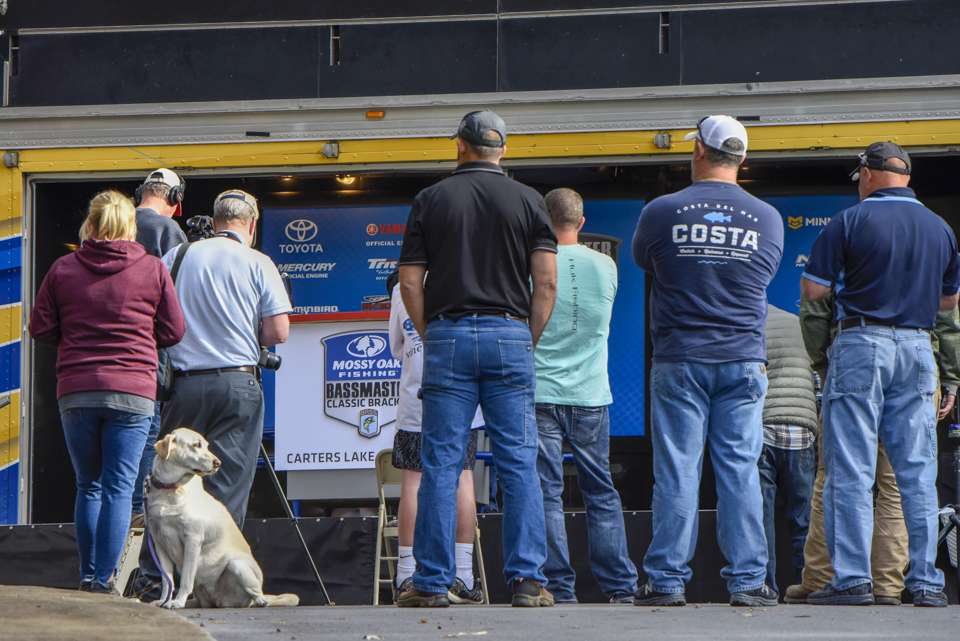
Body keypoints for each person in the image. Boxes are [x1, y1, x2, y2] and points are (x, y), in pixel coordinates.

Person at [396, 110, 558, 608]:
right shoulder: (531, 201)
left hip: (447, 335)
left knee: (441, 462)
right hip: (510, 334)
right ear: (502, 150)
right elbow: (546, 282)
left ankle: (430, 582)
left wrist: (433, 333)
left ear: (460, 147)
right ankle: (528, 581)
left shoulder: (431, 199)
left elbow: (408, 282)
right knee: (519, 462)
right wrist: (524, 337)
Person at [632, 115, 784, 607]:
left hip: (680, 358)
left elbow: (644, 261)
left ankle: (666, 581)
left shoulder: (661, 211)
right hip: (742, 358)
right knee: (740, 470)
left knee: (677, 470)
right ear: (742, 159)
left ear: (698, 150)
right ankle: (748, 582)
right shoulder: (767, 218)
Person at [800, 141, 959, 607]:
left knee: (851, 470)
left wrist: (822, 359)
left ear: (867, 174)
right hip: (917, 348)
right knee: (916, 473)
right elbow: (949, 303)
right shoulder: (940, 227)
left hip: (860, 344)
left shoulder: (849, 221)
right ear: (906, 178)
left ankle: (851, 581)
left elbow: (813, 292)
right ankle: (927, 582)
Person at [28, 190, 185, 594]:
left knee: (89, 485)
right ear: (129, 226)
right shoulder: (151, 269)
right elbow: (174, 331)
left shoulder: (63, 269)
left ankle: (86, 574)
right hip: (134, 392)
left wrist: (77, 335)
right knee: (119, 485)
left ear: (91, 225)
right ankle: (105, 579)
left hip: (77, 391)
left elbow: (40, 328)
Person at [785, 291, 960, 606]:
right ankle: (887, 585)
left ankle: (825, 577)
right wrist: (950, 377)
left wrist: (824, 363)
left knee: (836, 474)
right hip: (919, 360)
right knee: (899, 483)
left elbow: (814, 305)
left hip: (854, 355)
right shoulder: (936, 240)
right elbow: (948, 316)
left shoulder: (843, 239)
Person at [159, 189, 291, 526]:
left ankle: (158, 574)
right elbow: (278, 331)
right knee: (227, 486)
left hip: (184, 385)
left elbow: (154, 316)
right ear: (252, 224)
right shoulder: (258, 262)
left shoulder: (176, 255)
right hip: (237, 384)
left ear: (215, 220)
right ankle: (214, 571)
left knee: (172, 484)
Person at [534, 188, 639, 604]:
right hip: (591, 392)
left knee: (547, 491)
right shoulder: (606, 265)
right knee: (601, 490)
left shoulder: (534, 264)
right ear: (581, 222)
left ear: (543, 221)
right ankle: (620, 587)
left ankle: (560, 587)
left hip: (540, 389)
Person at [387, 271, 485, 604]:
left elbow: (396, 348)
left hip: (417, 398)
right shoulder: (464, 281)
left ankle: (407, 574)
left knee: (413, 479)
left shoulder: (402, 288)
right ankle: (463, 574)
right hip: (462, 396)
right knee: (464, 477)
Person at [131, 168, 188, 522]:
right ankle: (138, 515)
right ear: (173, 198)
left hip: (99, 361)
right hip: (148, 357)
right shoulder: (168, 230)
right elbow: (178, 299)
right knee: (146, 436)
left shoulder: (111, 226)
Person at [758, 305, 818, 596]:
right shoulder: (799, 324)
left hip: (763, 426)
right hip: (801, 429)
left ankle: (765, 584)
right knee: (802, 516)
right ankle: (808, 582)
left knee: (761, 514)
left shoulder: (750, 323)